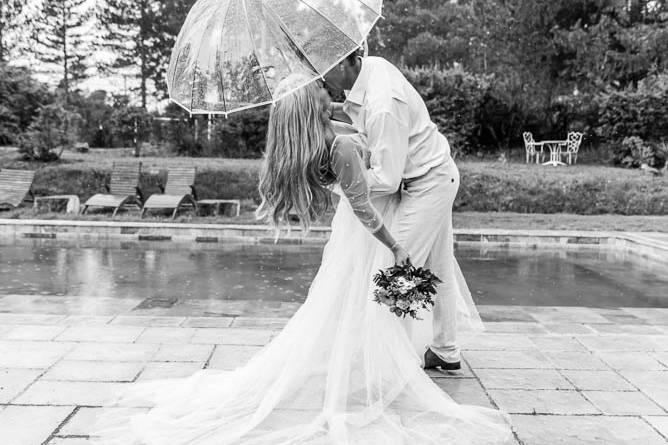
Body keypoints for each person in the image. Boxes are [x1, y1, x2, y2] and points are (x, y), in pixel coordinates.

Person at [91, 74, 512, 445]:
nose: (325, 87)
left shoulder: (322, 134)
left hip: (398, 201)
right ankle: (386, 363)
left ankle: (436, 348)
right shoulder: (344, 137)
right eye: (317, 88)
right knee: (393, 282)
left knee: (406, 274)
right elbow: (374, 192)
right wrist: (393, 238)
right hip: (381, 211)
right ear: (311, 105)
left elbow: (355, 162)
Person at [323, 52, 471, 370]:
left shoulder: (382, 105)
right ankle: (446, 349)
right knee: (438, 267)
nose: (322, 80)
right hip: (437, 175)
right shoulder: (372, 68)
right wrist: (327, 121)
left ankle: (391, 363)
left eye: (324, 72)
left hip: (428, 184)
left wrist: (339, 183)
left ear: (343, 64)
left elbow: (387, 180)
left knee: (396, 274)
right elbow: (371, 136)